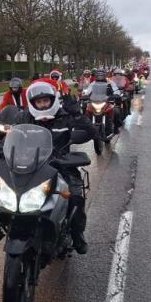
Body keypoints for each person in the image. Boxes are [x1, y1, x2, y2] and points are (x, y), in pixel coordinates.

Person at [16, 81, 96, 254]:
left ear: (52, 101)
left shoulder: (65, 116)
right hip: (31, 166)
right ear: (33, 103)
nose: (43, 105)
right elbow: (11, 137)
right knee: (12, 194)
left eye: (46, 101)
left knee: (75, 197)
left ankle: (77, 235)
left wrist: (77, 115)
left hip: (62, 166)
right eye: (39, 102)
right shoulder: (25, 117)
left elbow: (90, 132)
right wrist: (2, 147)